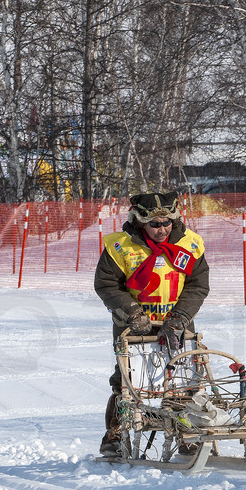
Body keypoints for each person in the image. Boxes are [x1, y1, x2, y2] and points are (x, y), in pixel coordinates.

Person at [94, 192, 210, 456]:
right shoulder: (120, 246)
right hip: (132, 324)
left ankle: (185, 433)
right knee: (128, 378)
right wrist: (133, 312)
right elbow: (106, 283)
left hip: (177, 321)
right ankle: (115, 432)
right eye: (155, 224)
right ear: (140, 221)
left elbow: (198, 284)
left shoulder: (190, 244)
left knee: (182, 378)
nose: (162, 229)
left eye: (167, 223)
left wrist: (180, 317)